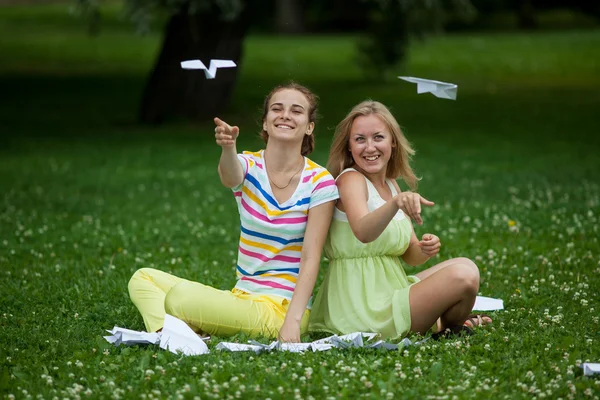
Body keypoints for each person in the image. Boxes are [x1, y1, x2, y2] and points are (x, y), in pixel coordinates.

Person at [128, 82, 339, 342]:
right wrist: (229, 147)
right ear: (265, 122)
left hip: (281, 309)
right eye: (277, 109)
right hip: (241, 298)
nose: (285, 115)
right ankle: (167, 333)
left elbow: (311, 257)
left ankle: (178, 330)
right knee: (143, 278)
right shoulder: (249, 165)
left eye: (296, 111)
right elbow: (230, 176)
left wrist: (293, 323)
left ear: (309, 126)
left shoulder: (320, 181)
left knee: (180, 298)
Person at [309, 100, 491, 340]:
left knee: (468, 266)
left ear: (392, 142)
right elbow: (363, 232)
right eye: (360, 139)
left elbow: (410, 255)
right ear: (349, 147)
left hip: (390, 289)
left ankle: (448, 326)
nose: (369, 147)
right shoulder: (350, 180)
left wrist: (425, 248)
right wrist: (395, 204)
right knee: (462, 277)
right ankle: (448, 326)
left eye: (378, 137)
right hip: (363, 307)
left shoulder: (391, 185)